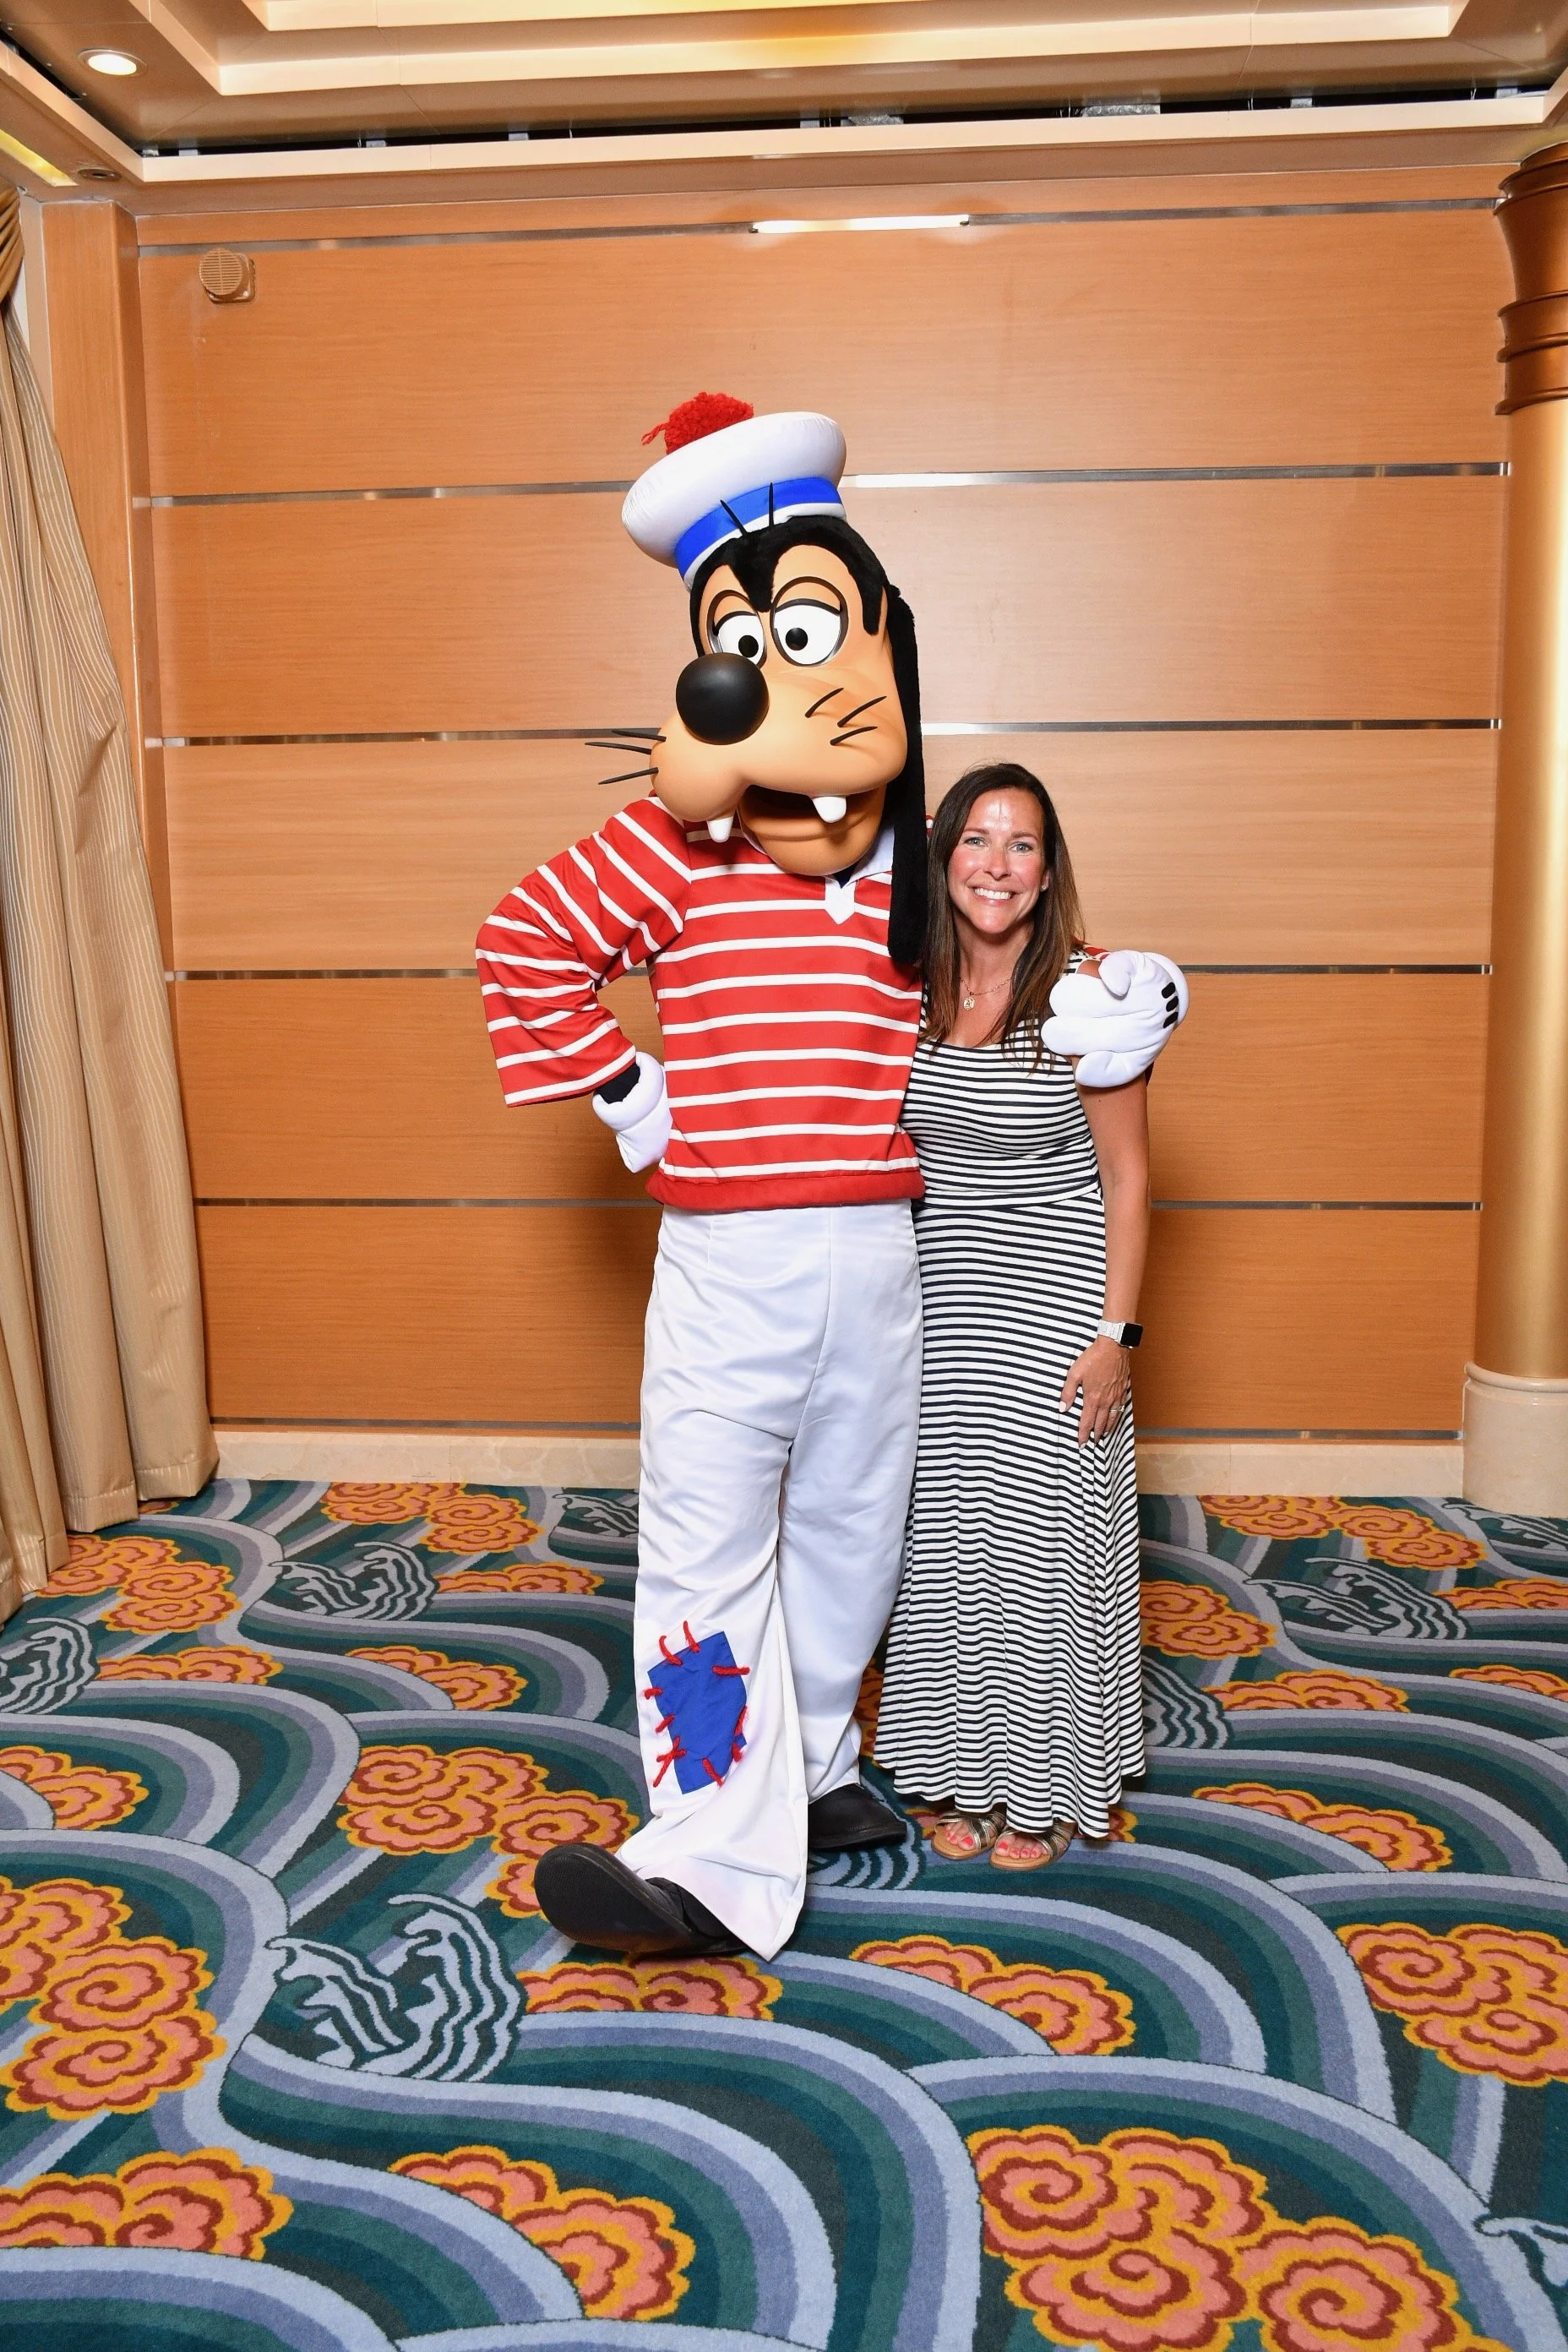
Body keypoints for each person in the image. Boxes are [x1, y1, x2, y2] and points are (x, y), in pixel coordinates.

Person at [476, 398, 1185, 1960]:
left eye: (802, 636)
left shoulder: (914, 856)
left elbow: (1024, 930)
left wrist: (1143, 991)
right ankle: (704, 1854)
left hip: (881, 1255)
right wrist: (628, 1089)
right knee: (707, 1552)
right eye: (741, 648)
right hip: (727, 1261)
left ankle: (813, 1771)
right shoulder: (666, 844)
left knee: (859, 1538)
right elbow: (522, 946)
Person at [874, 764, 1155, 1868]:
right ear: (943, 854)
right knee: (948, 1547)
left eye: (1022, 844)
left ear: (1048, 869)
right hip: (937, 1309)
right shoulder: (906, 984)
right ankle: (954, 1768)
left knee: (1042, 1552)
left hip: (1057, 1311)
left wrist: (1117, 1339)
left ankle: (1043, 1789)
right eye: (977, 841)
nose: (997, 865)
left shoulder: (1093, 993)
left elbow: (1129, 1179)